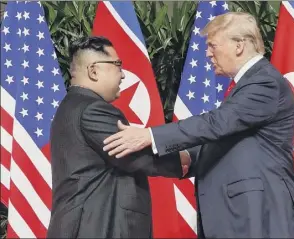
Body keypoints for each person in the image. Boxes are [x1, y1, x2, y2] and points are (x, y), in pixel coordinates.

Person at [103, 12, 294, 238]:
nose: (207, 53)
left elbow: (217, 123)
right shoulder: (247, 84)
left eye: (213, 45)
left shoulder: (264, 82)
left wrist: (149, 135)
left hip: (257, 213)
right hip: (240, 214)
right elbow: (228, 138)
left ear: (239, 45)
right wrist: (187, 157)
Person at [47, 36, 190, 238]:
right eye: (117, 65)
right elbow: (137, 156)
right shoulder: (92, 109)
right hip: (98, 228)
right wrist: (188, 159)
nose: (122, 74)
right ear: (93, 71)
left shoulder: (72, 107)